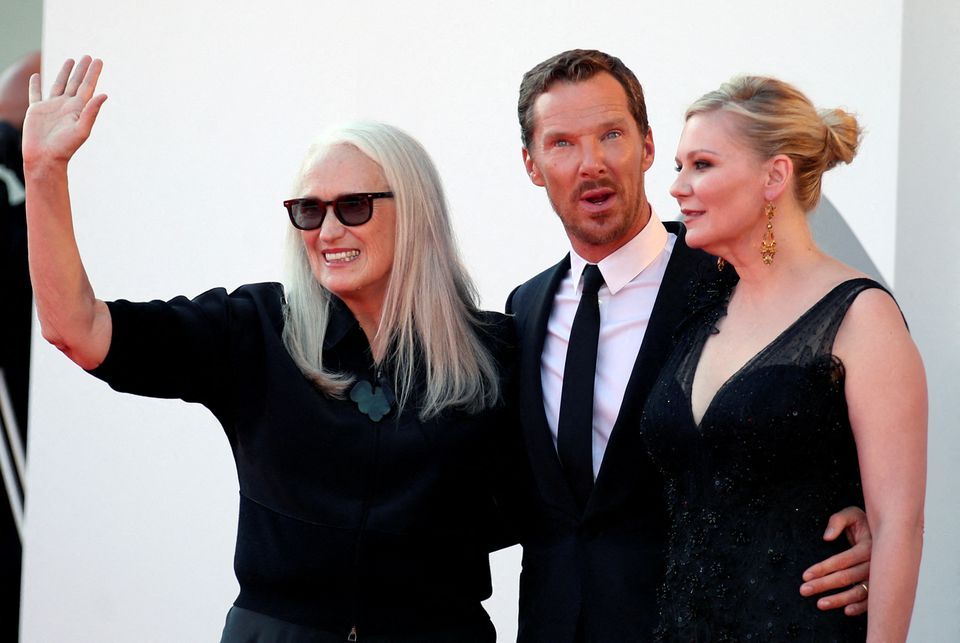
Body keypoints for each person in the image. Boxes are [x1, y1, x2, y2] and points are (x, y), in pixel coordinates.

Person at [23, 56, 524, 643]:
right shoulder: (256, 329)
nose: (328, 232)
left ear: (415, 212)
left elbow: (542, 506)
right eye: (309, 211)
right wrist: (43, 174)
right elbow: (77, 329)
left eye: (354, 206)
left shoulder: (496, 350)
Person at [506, 49, 876, 642]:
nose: (592, 163)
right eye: (563, 143)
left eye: (612, 135)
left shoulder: (731, 282)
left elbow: (810, 425)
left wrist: (864, 525)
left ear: (648, 147)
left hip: (694, 624)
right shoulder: (524, 310)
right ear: (531, 164)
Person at [639, 75, 926, 641]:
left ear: (774, 176)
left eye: (702, 164)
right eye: (679, 165)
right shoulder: (700, 305)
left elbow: (899, 525)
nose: (676, 186)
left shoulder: (861, 315)